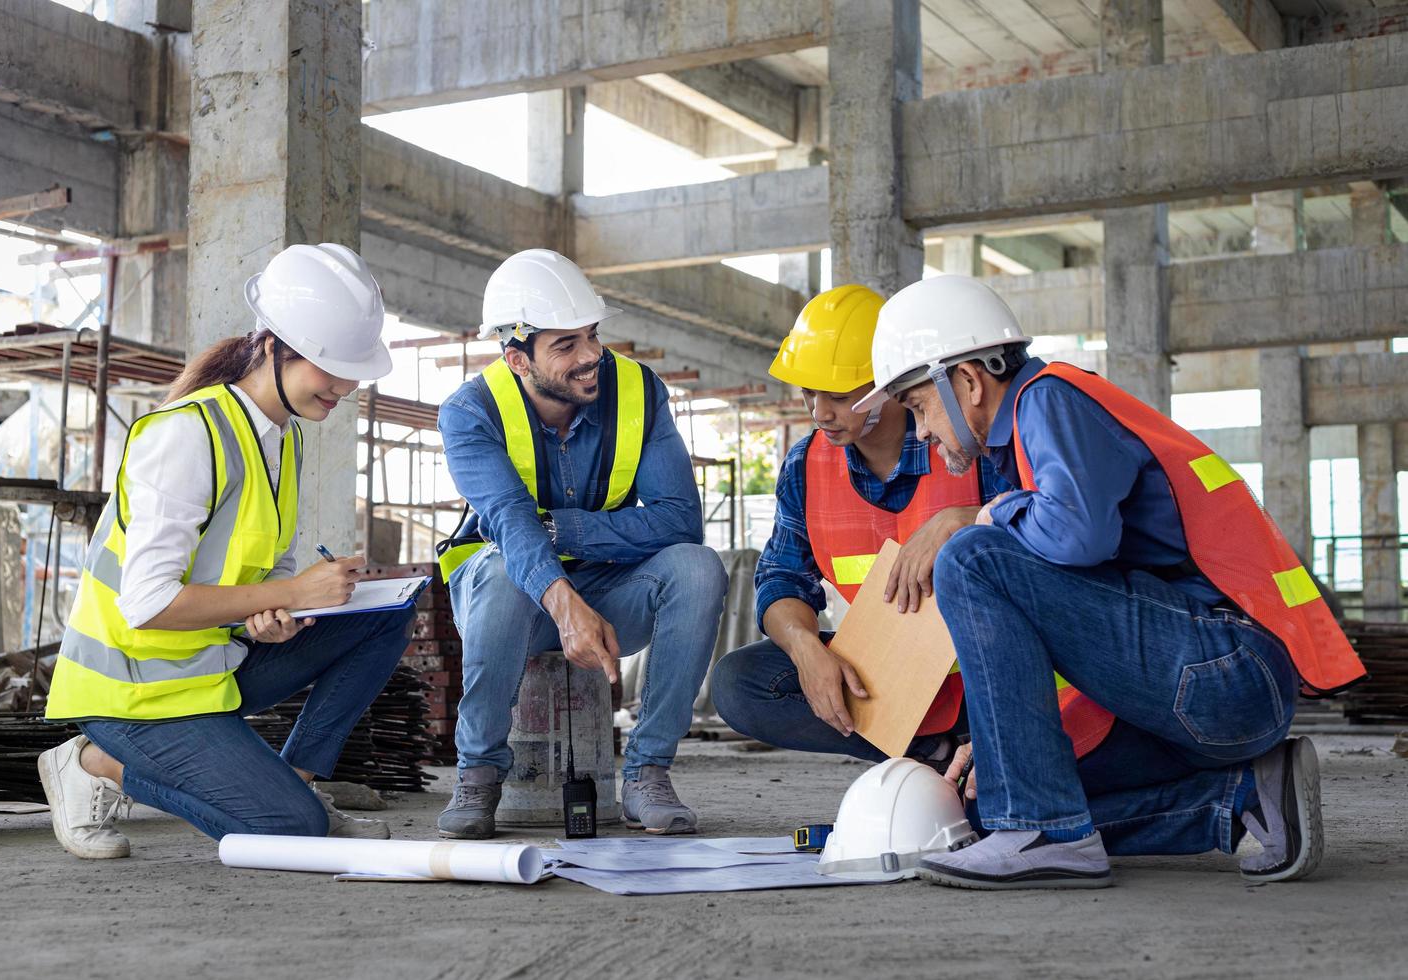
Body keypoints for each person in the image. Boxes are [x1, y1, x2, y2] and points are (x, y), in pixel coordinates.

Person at [853, 274, 1364, 889]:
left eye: (918, 406)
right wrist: (1002, 750)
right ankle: (1243, 796)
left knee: (970, 556)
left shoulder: (1048, 399)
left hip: (1226, 671)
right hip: (1192, 693)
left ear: (966, 380)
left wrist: (977, 516)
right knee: (990, 809)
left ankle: (1043, 829)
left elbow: (1079, 536)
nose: (921, 433)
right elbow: (1093, 616)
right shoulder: (1022, 443)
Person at [39, 244, 412, 858]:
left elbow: (262, 575)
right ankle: (93, 762)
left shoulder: (282, 440)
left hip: (211, 662)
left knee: (386, 614)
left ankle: (296, 784)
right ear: (273, 346)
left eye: (353, 369)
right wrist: (292, 593)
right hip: (134, 692)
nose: (344, 385)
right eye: (329, 366)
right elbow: (148, 604)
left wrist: (270, 618)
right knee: (292, 835)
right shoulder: (187, 434)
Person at [434, 248, 727, 839]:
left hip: (608, 594)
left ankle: (648, 773)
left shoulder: (640, 393)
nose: (591, 355)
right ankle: (478, 775)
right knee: (500, 572)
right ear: (518, 358)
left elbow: (679, 522)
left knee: (698, 568)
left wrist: (564, 531)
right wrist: (563, 601)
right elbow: (511, 523)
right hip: (504, 606)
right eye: (565, 345)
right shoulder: (470, 413)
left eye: (591, 335)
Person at [711, 285, 1006, 767]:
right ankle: (929, 754)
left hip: (987, 671)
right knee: (740, 682)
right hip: (889, 676)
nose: (818, 412)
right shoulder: (806, 465)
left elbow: (1038, 534)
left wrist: (964, 520)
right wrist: (807, 649)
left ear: (887, 384)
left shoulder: (964, 439)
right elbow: (782, 577)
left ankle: (983, 752)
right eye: (809, 392)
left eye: (840, 396)